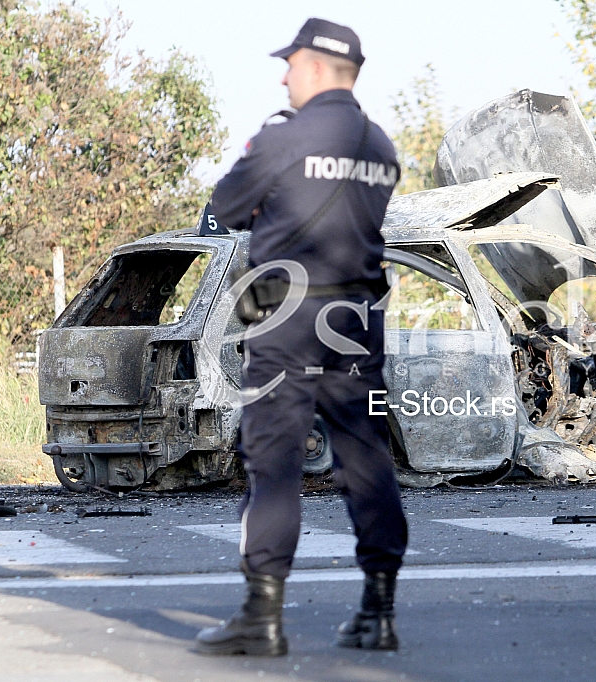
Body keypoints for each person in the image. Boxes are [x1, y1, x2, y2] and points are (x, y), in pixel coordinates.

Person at [194, 17, 407, 656]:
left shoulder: (281, 140)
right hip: (357, 323)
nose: (285, 74)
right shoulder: (380, 146)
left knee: (275, 461)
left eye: (291, 64)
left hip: (286, 321)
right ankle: (380, 612)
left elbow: (225, 208)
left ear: (316, 67)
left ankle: (262, 618)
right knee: (367, 457)